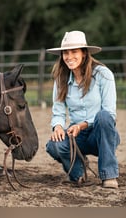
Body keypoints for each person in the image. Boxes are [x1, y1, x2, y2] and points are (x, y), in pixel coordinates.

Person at [45, 30, 120, 189]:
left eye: (74, 51)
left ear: (84, 53)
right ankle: (78, 173)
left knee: (104, 116)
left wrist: (82, 125)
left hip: (101, 134)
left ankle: (109, 175)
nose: (69, 56)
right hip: (77, 135)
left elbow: (110, 113)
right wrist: (58, 126)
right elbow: (58, 111)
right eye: (66, 52)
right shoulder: (61, 80)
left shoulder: (103, 75)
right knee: (53, 145)